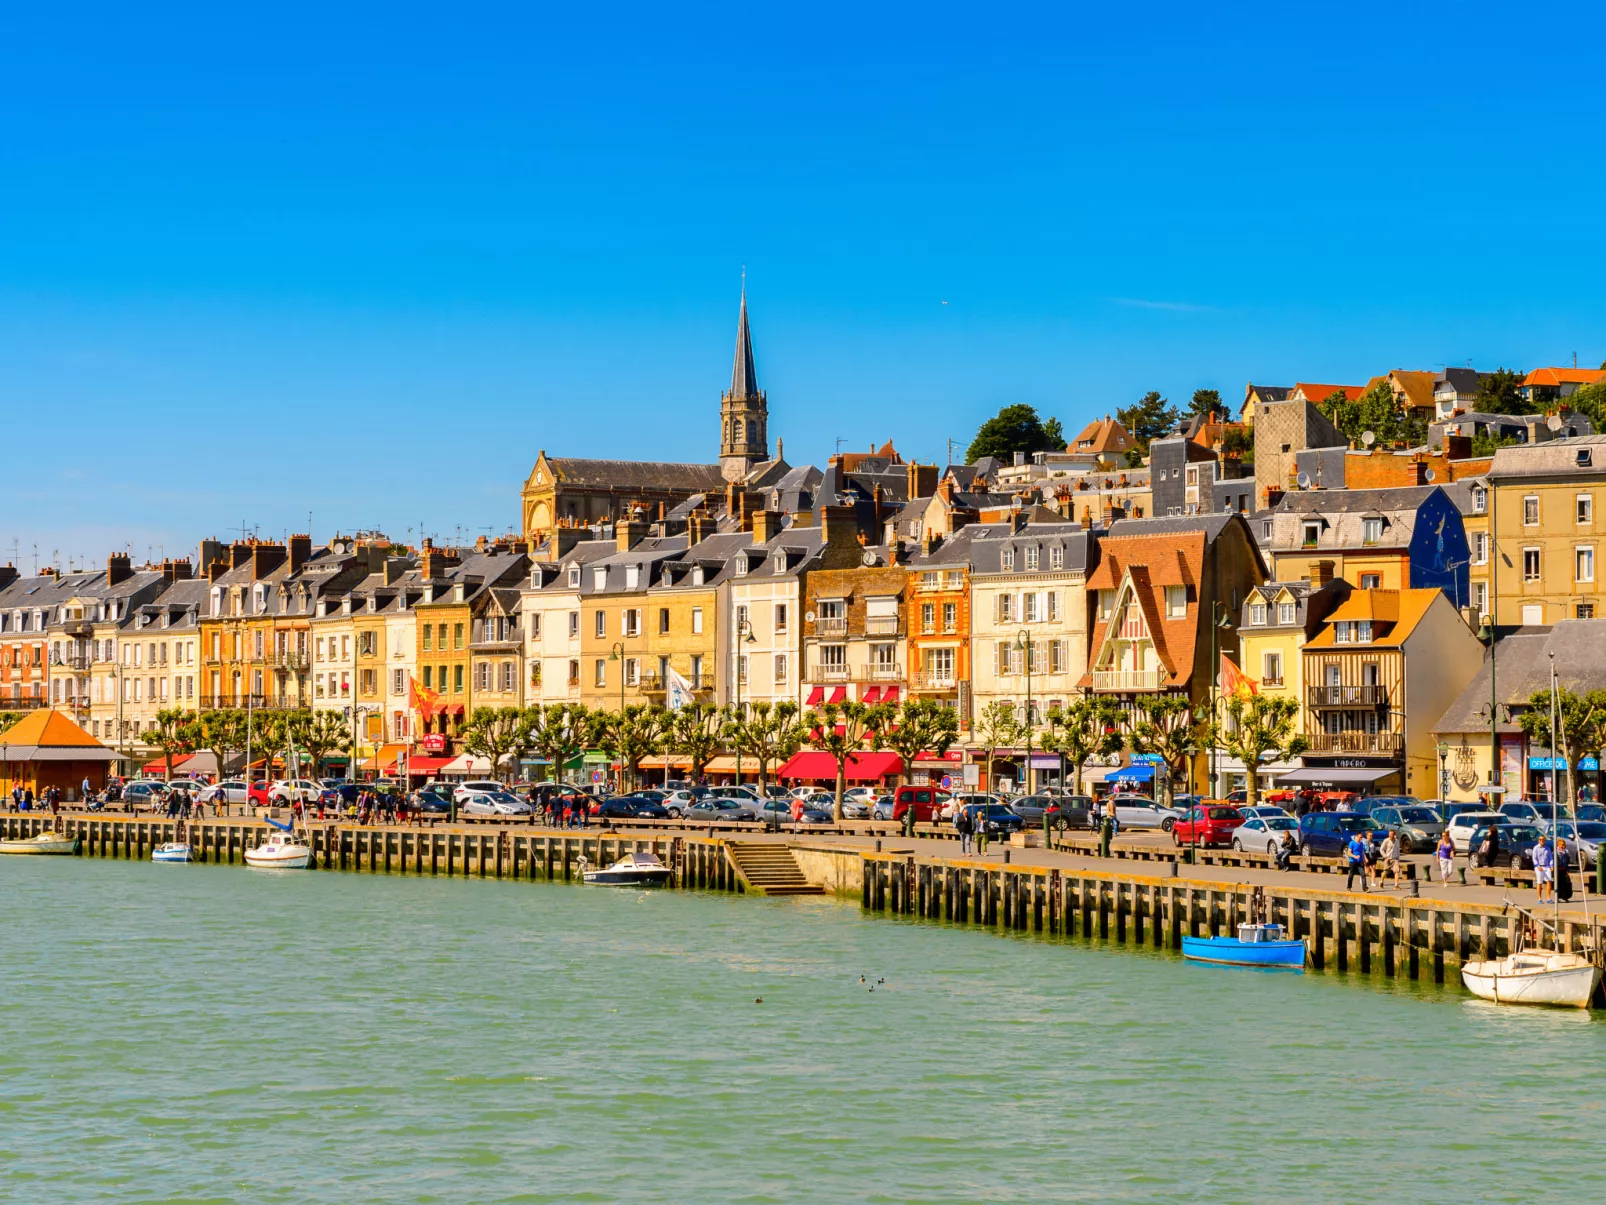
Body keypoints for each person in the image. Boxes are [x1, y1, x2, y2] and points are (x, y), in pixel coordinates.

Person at [1532, 836, 1554, 903]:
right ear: (1538, 840)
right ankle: (1539, 898)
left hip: (1546, 866)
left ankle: (1548, 898)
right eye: (1540, 839)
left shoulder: (1548, 848)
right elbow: (1534, 858)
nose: (1541, 840)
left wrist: (1551, 865)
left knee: (1549, 880)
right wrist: (1538, 866)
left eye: (1543, 839)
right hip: (1539, 867)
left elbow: (1550, 858)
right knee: (1539, 882)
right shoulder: (1536, 848)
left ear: (1545, 840)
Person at [1555, 838, 1575, 902]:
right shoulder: (1556, 852)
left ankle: (1566, 897)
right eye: (1561, 845)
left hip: (1565, 869)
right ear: (1558, 845)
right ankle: (1557, 897)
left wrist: (1568, 870)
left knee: (1567, 883)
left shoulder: (1566, 851)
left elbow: (1568, 861)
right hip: (1558, 870)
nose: (1562, 846)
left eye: (1563, 845)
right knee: (1559, 884)